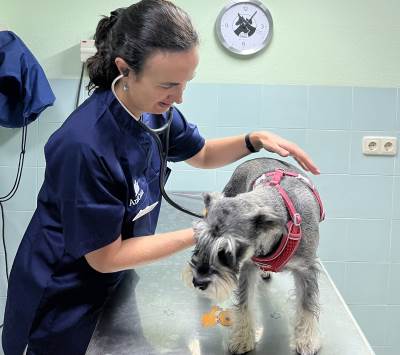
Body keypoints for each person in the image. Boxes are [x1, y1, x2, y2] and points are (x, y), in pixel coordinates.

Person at [1, 1, 319, 354]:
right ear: (125, 70)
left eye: (186, 82)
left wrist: (253, 140)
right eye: (168, 84)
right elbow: (103, 257)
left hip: (114, 284)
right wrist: (207, 231)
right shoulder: (84, 146)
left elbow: (202, 154)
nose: (179, 96)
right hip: (60, 298)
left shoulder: (154, 114)